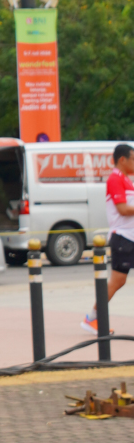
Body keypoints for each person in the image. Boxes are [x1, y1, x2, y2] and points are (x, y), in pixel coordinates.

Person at [85, 142, 134, 333]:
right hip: (123, 238)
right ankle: (91, 318)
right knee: (117, 281)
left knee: (118, 281)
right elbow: (122, 209)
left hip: (130, 237)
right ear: (122, 160)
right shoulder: (115, 179)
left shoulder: (126, 179)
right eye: (133, 159)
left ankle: (92, 318)